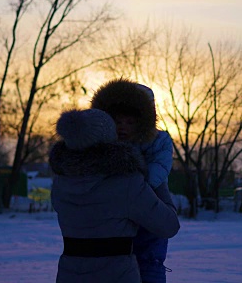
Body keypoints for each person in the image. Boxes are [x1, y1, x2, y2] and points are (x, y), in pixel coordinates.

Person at [50, 108, 180, 283]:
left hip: (69, 275)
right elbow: (169, 226)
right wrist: (160, 181)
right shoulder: (126, 183)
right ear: (108, 139)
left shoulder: (60, 183)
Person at [91, 78, 174, 283]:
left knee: (150, 258)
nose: (123, 127)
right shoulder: (105, 146)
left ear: (143, 121)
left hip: (150, 202)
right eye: (118, 122)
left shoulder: (158, 140)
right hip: (118, 220)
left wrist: (140, 188)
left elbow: (160, 167)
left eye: (130, 122)